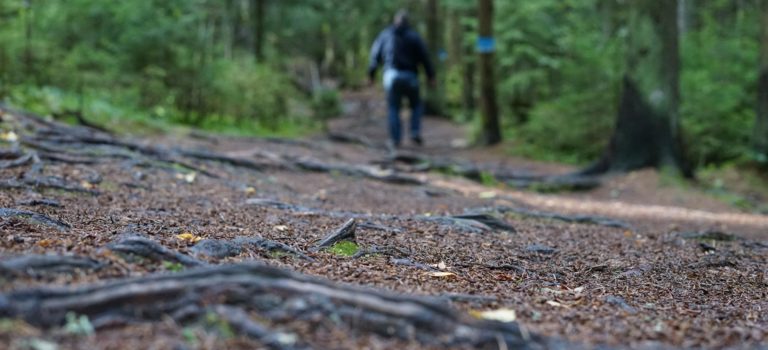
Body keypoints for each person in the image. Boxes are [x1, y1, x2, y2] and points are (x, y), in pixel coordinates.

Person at [368, 10, 435, 151]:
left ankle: (395, 139)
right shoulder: (414, 36)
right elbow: (425, 58)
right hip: (411, 76)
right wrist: (431, 76)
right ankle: (415, 131)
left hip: (391, 76)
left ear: (395, 21)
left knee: (394, 107)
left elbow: (375, 55)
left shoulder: (385, 35)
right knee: (416, 105)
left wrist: (371, 75)